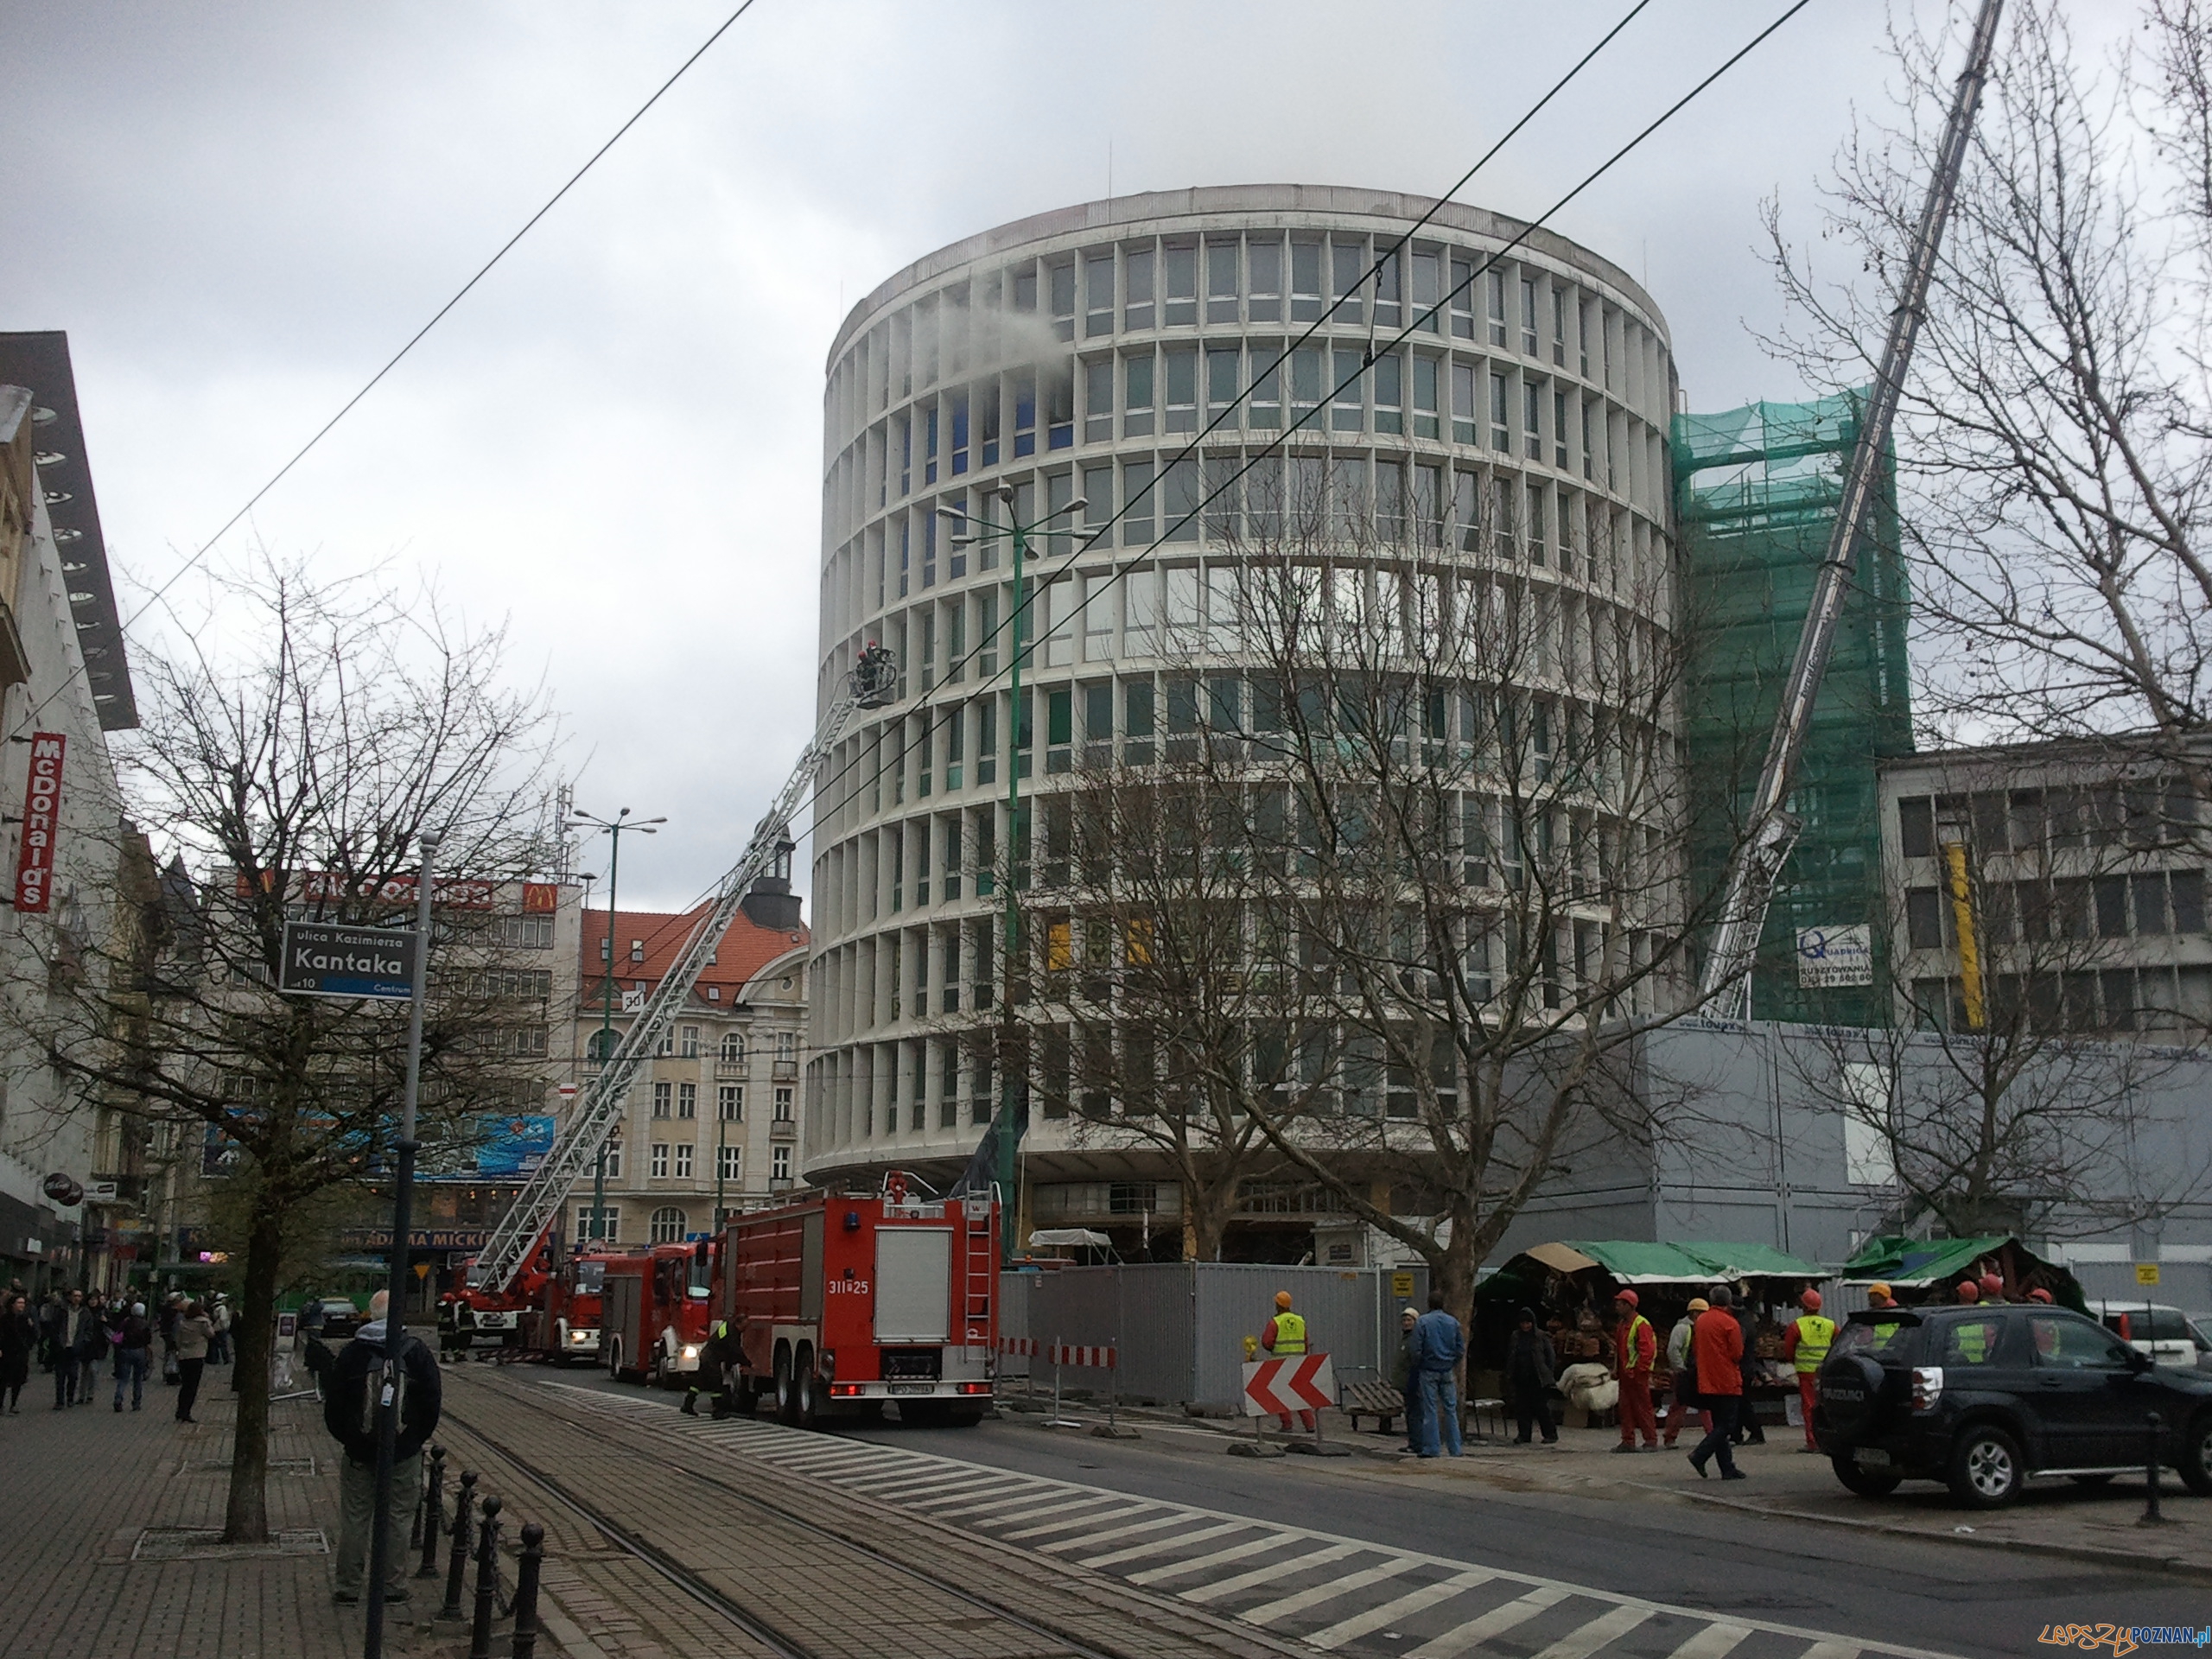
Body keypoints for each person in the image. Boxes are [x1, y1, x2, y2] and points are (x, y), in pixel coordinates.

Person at [323, 1289, 442, 1606]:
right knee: (399, 1519)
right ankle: (393, 1584)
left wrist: (351, 1439)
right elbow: (431, 1402)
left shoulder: (352, 1353)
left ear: (370, 1315)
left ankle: (348, 1586)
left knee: (355, 1519)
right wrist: (413, 1439)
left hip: (359, 1453)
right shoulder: (415, 1352)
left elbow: (333, 1406)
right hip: (402, 1452)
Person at [1687, 1287, 1745, 1480]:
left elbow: (1695, 1349)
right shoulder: (1730, 1323)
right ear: (1728, 1302)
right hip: (1727, 1380)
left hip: (1707, 1380)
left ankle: (1727, 1468)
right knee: (1727, 1425)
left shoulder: (1701, 1322)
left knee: (1719, 1424)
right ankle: (1700, 1455)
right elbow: (1737, 1354)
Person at [1408, 1291, 1465, 1458]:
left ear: (1429, 1304)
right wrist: (1451, 1362)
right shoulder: (1453, 1322)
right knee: (1450, 1410)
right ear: (1443, 1304)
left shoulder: (1423, 1322)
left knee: (1430, 1410)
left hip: (1428, 1370)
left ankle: (1432, 1448)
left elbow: (1416, 1349)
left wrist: (1419, 1364)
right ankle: (1455, 1448)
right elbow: (1460, 1349)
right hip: (1447, 1370)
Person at [1783, 1290, 1834, 1452]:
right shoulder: (1830, 1324)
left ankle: (1813, 1442)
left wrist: (1796, 1361)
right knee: (1827, 1406)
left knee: (1810, 1407)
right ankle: (1829, 1440)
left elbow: (1788, 1350)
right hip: (1825, 1372)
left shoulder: (1797, 1325)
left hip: (1806, 1373)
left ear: (1803, 1306)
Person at [1260, 1291, 1316, 1433]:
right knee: (1299, 1394)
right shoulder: (1300, 1320)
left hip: (1279, 1363)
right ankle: (1310, 1424)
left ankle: (1287, 1424)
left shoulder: (1275, 1322)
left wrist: (1273, 1349)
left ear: (1278, 1305)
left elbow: (1267, 1342)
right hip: (1297, 1362)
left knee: (1281, 1394)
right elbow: (1306, 1341)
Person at [1611, 1290, 1658, 1452]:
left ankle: (1650, 1440)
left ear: (1629, 1305)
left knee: (1642, 1407)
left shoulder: (1641, 1324)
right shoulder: (1622, 1325)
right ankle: (1628, 1441)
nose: (1617, 1306)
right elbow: (1620, 1350)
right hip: (1627, 1374)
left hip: (1637, 1375)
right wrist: (1616, 1369)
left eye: (1620, 1304)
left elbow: (1647, 1352)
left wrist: (1638, 1371)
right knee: (1625, 1408)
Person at [1505, 1307, 1558, 1445]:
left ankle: (1550, 1434)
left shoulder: (1541, 1336)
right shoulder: (1516, 1336)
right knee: (1522, 1408)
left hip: (1538, 1378)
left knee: (1541, 1408)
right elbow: (1511, 1356)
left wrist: (1548, 1372)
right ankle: (1524, 1435)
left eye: (1528, 1323)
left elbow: (1550, 1356)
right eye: (1523, 1323)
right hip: (1521, 1376)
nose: (1525, 1326)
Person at [1662, 1297, 1709, 1448]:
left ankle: (1713, 1435)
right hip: (1686, 1373)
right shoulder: (1682, 1328)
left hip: (1699, 1372)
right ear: (1694, 1313)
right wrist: (1680, 1369)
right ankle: (1670, 1438)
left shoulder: (1702, 1327)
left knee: (1705, 1405)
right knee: (1680, 1406)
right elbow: (1673, 1350)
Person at [683, 1319, 743, 1418]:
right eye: (744, 1326)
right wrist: (747, 1362)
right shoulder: (732, 1332)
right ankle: (717, 1410)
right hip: (712, 1358)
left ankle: (687, 1404)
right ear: (738, 1324)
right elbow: (734, 1349)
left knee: (699, 1382)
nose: (744, 1329)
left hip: (706, 1355)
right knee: (716, 1382)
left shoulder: (727, 1326)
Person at [1732, 1287, 1766, 1446]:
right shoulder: (1747, 1320)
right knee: (1738, 1402)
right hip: (1747, 1366)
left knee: (1742, 1403)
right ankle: (1736, 1434)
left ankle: (1756, 1433)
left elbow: (1738, 1347)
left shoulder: (1740, 1324)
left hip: (1742, 1367)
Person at [174, 1300, 214, 1424]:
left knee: (185, 1385)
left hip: (184, 1356)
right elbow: (211, 1334)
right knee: (193, 1386)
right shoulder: (203, 1323)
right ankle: (186, 1412)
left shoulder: (182, 1323)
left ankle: (180, 1410)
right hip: (197, 1355)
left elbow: (177, 1340)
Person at [52, 1289, 93, 1409]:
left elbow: (89, 1330)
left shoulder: (85, 1313)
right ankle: (59, 1401)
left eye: (79, 1296)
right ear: (70, 1297)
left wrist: (83, 1342)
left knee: (73, 1376)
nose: (77, 1298)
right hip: (62, 1348)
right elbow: (54, 1326)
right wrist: (57, 1341)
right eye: (75, 1296)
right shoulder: (62, 1311)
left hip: (76, 1348)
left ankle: (70, 1398)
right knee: (60, 1376)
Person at [0, 1293, 37, 1412]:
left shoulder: (25, 1319)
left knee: (18, 1380)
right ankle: (0, 1404)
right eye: (19, 1303)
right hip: (7, 1352)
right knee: (3, 1380)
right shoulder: (4, 1319)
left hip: (21, 1353)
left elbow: (34, 1335)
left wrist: (28, 1345)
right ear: (12, 1305)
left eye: (23, 1303)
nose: (22, 1305)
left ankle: (13, 1404)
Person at [113, 1302, 152, 1411]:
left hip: (126, 1350)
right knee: (138, 1378)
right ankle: (136, 1403)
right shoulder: (145, 1324)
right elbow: (148, 1340)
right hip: (139, 1351)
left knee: (123, 1378)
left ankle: (118, 1399)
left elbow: (118, 1333)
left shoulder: (126, 1322)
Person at [1392, 1306, 1421, 1452]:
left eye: (1409, 1320)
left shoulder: (1414, 1339)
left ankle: (1416, 1444)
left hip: (1412, 1383)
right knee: (1410, 1413)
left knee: (1414, 1414)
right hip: (1405, 1383)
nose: (1406, 1323)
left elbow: (1415, 1360)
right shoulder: (1406, 1338)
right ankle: (1414, 1442)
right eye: (1404, 1320)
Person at [208, 1295, 232, 1365]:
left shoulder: (215, 1308)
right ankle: (226, 1359)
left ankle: (214, 1359)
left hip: (216, 1328)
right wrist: (225, 1326)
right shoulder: (222, 1308)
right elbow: (222, 1319)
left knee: (215, 1344)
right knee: (223, 1344)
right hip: (221, 1328)